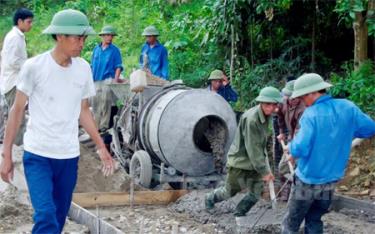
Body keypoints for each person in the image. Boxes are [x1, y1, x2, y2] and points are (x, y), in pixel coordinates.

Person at [0, 9, 115, 234]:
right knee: (45, 214)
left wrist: (101, 147)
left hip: (68, 157)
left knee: (59, 217)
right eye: (77, 38)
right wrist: (6, 156)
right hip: (38, 155)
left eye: (84, 38)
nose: (82, 43)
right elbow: (16, 112)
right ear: (59, 36)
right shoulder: (34, 67)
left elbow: (84, 111)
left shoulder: (83, 68)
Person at [281, 73, 375, 234]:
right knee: (314, 219)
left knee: (291, 224)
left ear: (312, 93)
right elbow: (370, 128)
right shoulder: (348, 107)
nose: (303, 101)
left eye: (303, 97)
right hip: (331, 180)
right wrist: (344, 135)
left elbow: (301, 147)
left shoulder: (311, 115)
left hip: (308, 180)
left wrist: (291, 147)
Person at [205, 86, 282, 217]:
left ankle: (239, 212)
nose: (272, 108)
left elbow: (261, 145)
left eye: (274, 105)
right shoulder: (252, 119)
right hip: (240, 162)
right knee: (229, 192)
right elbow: (254, 148)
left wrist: (266, 168)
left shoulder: (266, 116)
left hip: (255, 162)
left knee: (256, 192)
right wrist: (264, 171)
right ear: (261, 103)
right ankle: (209, 198)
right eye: (269, 105)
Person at [0, 8, 33, 144]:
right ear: (20, 21)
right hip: (13, 82)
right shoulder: (15, 37)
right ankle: (17, 146)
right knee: (18, 116)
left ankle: (16, 144)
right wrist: (30, 65)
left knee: (17, 115)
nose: (31, 25)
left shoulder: (16, 36)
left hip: (13, 81)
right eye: (29, 22)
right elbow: (13, 61)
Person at [276, 80, 305, 201]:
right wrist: (282, 132)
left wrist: (294, 152)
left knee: (300, 169)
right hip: (291, 139)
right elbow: (280, 117)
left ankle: (299, 194)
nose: (289, 99)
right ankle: (286, 191)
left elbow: (300, 131)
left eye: (292, 96)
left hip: (302, 141)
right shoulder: (284, 103)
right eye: (287, 96)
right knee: (283, 167)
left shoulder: (304, 108)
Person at [91, 25, 123, 132]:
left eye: (111, 36)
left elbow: (118, 66)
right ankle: (95, 126)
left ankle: (103, 127)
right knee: (95, 103)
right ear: (103, 36)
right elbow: (92, 65)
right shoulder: (96, 49)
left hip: (107, 79)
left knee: (105, 102)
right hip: (96, 80)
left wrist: (115, 79)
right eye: (108, 35)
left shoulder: (115, 50)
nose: (110, 38)